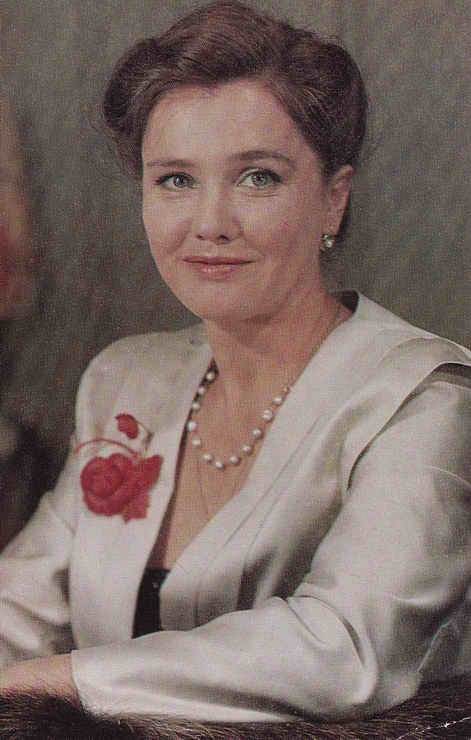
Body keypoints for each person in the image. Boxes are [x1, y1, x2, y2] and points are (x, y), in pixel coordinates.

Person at [1, 0, 471, 726]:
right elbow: (19, 607)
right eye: (175, 180)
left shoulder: (424, 397)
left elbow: (345, 649)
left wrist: (62, 677)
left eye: (257, 178)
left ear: (333, 200)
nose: (210, 223)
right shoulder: (125, 380)